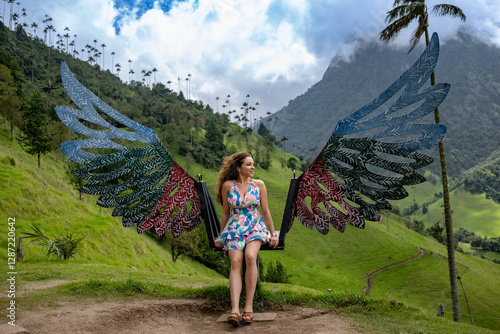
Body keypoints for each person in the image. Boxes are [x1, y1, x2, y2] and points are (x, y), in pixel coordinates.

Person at [214, 151, 278, 326]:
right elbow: (226, 213)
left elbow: (265, 211)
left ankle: (248, 307)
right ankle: (235, 310)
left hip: (255, 226)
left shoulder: (259, 185)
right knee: (236, 262)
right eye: (248, 164)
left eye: (253, 164)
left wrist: (273, 234)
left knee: (250, 256)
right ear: (238, 168)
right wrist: (221, 236)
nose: (252, 167)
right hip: (235, 228)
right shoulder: (228, 186)